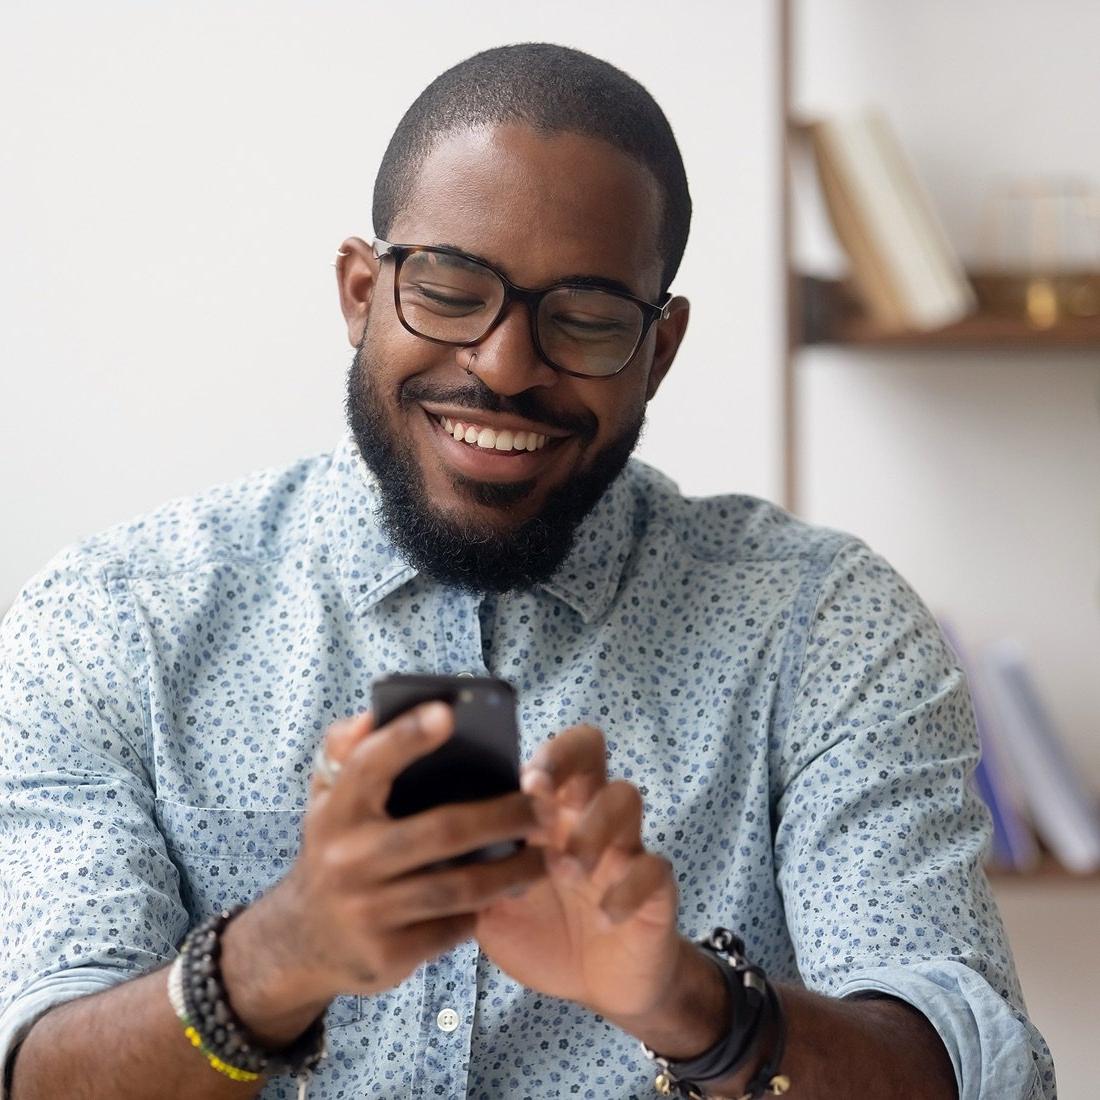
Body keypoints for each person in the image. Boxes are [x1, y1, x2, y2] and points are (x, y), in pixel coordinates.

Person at [0, 42, 1053, 1100]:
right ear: (360, 292)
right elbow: (36, 1068)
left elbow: (980, 1070)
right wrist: (281, 952)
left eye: (585, 317)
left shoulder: (822, 625)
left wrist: (691, 1004)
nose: (504, 366)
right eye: (451, 292)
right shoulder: (113, 619)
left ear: (660, 348)